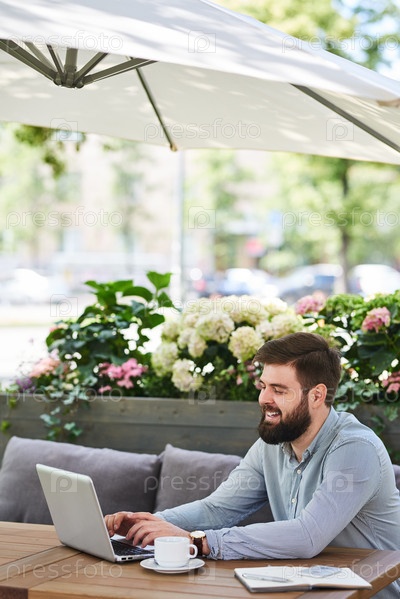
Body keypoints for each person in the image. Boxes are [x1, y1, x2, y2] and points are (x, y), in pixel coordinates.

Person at [105, 332, 400, 598]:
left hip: (368, 592)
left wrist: (199, 541)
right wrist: (148, 524)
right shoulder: (272, 444)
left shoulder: (354, 448)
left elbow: (307, 536)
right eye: (263, 386)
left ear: (317, 395)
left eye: (279, 390)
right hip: (304, 587)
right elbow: (218, 509)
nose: (264, 399)